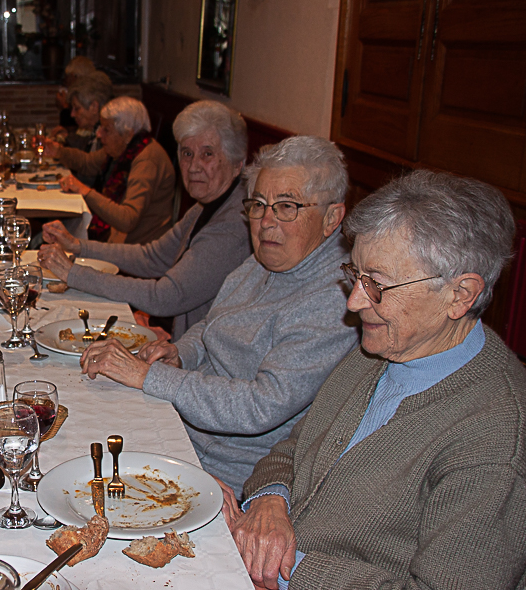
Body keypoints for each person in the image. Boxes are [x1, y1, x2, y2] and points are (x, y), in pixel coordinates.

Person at [232, 170, 526, 590]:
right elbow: (295, 445)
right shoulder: (385, 345)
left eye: (377, 284)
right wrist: (270, 502)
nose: (353, 302)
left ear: (459, 294)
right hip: (257, 582)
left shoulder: (495, 436)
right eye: (355, 274)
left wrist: (287, 567)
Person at [78, 136, 358, 497]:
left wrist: (149, 376)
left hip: (230, 473)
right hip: (181, 429)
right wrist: (181, 353)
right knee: (72, 418)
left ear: (332, 217)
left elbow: (259, 406)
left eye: (287, 207)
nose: (266, 223)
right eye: (258, 205)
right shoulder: (266, 260)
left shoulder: (335, 300)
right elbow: (214, 323)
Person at [39, 101, 252, 339]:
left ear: (237, 163)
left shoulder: (234, 224)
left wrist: (75, 274)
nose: (193, 166)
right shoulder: (207, 204)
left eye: (207, 154)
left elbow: (165, 297)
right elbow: (153, 257)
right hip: (178, 332)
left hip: (200, 355)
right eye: (187, 153)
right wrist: (78, 246)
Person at [45, 96, 175, 244]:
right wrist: (58, 151)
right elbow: (88, 163)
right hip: (118, 238)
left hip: (139, 247)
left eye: (106, 129)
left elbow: (127, 220)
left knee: (59, 241)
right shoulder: (124, 148)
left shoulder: (146, 160)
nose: (99, 134)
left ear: (128, 134)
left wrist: (86, 192)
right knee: (56, 235)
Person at [54, 71, 113, 156]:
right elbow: (83, 144)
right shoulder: (96, 131)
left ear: (94, 107)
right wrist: (63, 139)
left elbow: (88, 163)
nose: (72, 114)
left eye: (77, 109)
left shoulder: (107, 138)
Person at [56, 56, 97, 128]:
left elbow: (74, 128)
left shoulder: (88, 98)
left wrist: (65, 107)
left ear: (76, 77)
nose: (66, 80)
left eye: (68, 76)